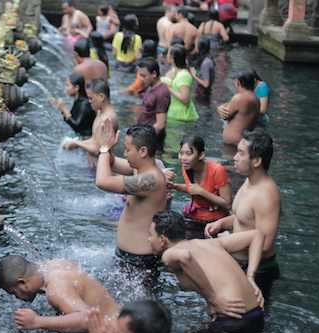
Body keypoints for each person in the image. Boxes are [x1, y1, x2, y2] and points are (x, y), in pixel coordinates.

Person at [149, 210, 266, 333]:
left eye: (150, 234)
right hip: (257, 315)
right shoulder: (209, 243)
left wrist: (213, 299)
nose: (148, 239)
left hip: (233, 320)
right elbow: (257, 235)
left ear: (162, 239)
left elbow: (185, 256)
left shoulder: (169, 253)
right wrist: (250, 277)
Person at [204, 130, 281, 300]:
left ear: (257, 161)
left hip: (258, 271)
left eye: (241, 153)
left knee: (250, 321)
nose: (235, 158)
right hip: (240, 263)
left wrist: (228, 241)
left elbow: (265, 244)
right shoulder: (249, 180)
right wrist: (222, 223)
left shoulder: (266, 195)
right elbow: (245, 217)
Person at [95, 121, 168, 266]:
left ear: (143, 151)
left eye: (128, 150)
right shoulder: (138, 169)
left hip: (140, 262)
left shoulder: (151, 179)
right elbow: (110, 162)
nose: (125, 154)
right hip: (126, 256)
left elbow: (102, 181)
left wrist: (105, 148)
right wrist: (108, 148)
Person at [0, 255, 120, 333]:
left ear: (22, 283)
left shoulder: (55, 288)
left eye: (14, 293)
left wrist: (37, 321)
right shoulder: (55, 264)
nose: (17, 298)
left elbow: (87, 319)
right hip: (121, 320)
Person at [169, 136, 231, 237]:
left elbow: (228, 204)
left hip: (216, 221)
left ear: (201, 155)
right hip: (195, 216)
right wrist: (176, 186)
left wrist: (201, 191)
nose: (183, 158)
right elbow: (192, 189)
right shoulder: (187, 166)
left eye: (189, 153)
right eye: (181, 153)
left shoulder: (217, 170)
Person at [62, 78, 118, 164]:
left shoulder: (107, 119)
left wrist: (76, 144)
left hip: (98, 168)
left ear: (101, 97)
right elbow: (94, 140)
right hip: (93, 166)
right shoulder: (100, 111)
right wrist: (73, 143)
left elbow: (97, 150)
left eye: (91, 98)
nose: (89, 101)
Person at [217, 67, 260, 145]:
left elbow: (225, 115)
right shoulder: (256, 98)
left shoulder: (239, 98)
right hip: (243, 142)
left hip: (235, 145)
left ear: (237, 83)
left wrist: (219, 108)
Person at [136, 57, 170, 154]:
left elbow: (160, 124)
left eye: (144, 76)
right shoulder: (151, 87)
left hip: (151, 142)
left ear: (154, 74)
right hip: (145, 138)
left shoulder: (161, 93)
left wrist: (142, 139)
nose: (141, 79)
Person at [162, 45, 199, 122]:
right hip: (174, 114)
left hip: (182, 116)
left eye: (168, 54)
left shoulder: (183, 75)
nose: (167, 56)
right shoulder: (173, 71)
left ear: (172, 59)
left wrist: (168, 87)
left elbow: (185, 99)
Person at [190, 36, 216, 100]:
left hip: (203, 93)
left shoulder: (206, 63)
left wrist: (194, 76)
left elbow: (206, 84)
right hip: (205, 92)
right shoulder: (208, 59)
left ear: (199, 48)